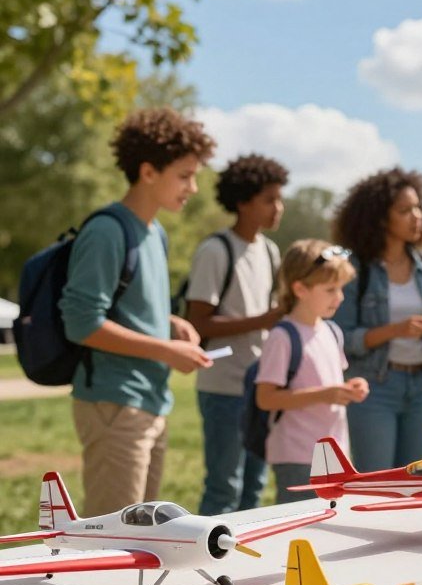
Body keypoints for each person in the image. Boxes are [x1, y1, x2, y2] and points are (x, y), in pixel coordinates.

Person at [59, 107, 215, 516]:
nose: (193, 188)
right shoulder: (108, 231)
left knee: (143, 530)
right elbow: (81, 323)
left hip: (149, 401)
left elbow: (127, 306)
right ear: (148, 172)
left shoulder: (154, 232)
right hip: (115, 404)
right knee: (115, 533)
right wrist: (166, 351)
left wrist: (171, 323)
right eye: (184, 176)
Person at [331, 167, 422, 472]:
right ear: (379, 218)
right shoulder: (354, 269)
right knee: (377, 481)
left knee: (415, 482)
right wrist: (395, 330)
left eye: (418, 207)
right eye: (404, 210)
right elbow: (342, 338)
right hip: (374, 387)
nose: (417, 216)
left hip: (420, 386)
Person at [186, 154, 287, 515]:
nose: (279, 207)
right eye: (269, 199)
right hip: (223, 388)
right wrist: (263, 320)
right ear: (242, 202)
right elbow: (199, 323)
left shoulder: (271, 251)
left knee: (255, 489)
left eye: (280, 198)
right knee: (223, 489)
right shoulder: (216, 250)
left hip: (260, 388)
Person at [255, 240, 369, 503]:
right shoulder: (283, 337)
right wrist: (324, 394)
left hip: (336, 456)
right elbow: (266, 398)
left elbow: (331, 383)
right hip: (298, 456)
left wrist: (352, 387)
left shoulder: (331, 331)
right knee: (302, 528)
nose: (339, 297)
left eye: (341, 288)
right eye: (330, 289)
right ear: (300, 289)